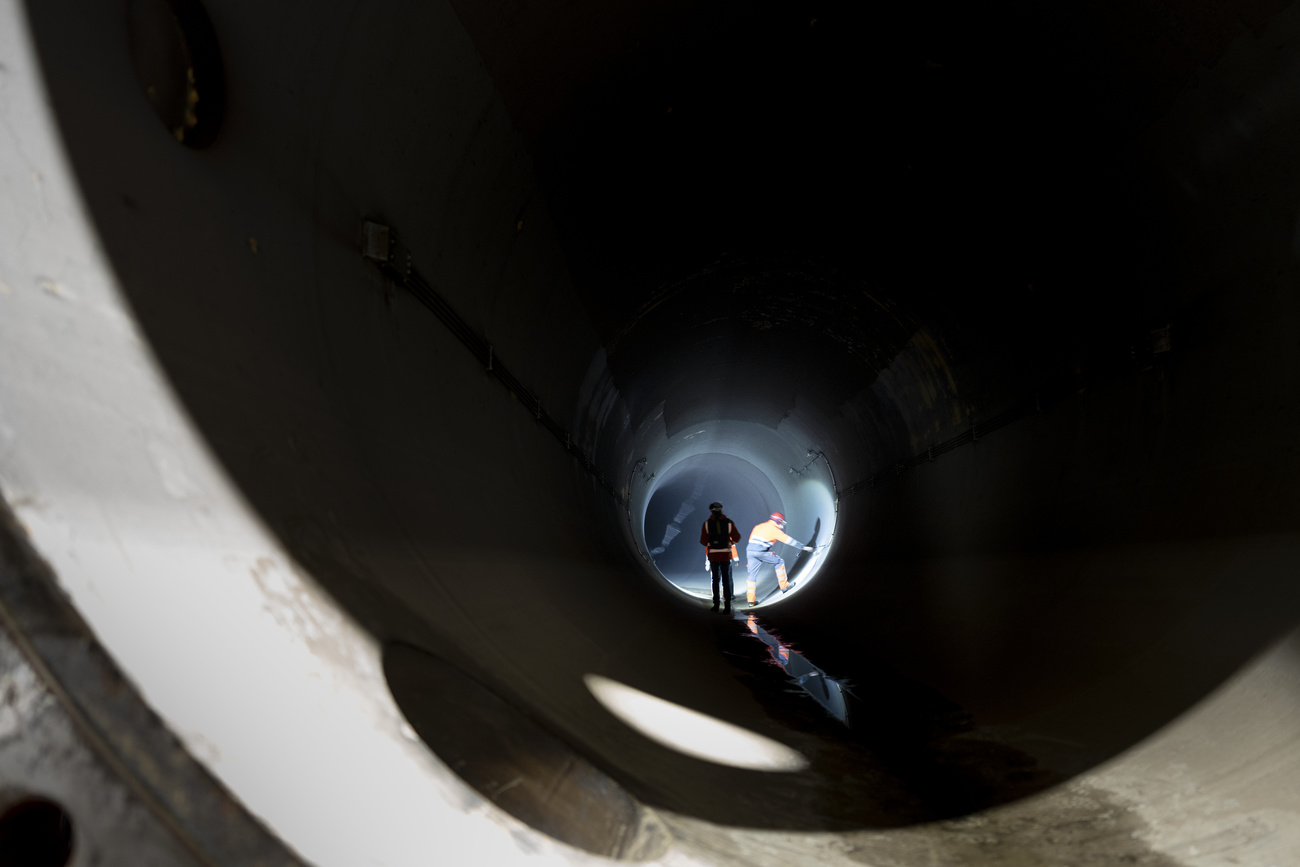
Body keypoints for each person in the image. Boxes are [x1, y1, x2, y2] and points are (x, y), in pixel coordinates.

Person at [745, 512, 813, 605]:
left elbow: (752, 541)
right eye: (782, 523)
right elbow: (789, 541)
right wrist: (804, 547)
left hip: (750, 552)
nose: (782, 526)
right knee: (779, 562)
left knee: (751, 576)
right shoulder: (774, 530)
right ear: (778, 521)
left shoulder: (759, 526)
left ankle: (751, 601)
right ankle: (784, 586)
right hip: (761, 552)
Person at [699, 502, 741, 612]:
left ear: (711, 511)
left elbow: (703, 541)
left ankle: (716, 604)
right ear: (722, 510)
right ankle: (727, 606)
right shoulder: (729, 523)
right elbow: (737, 537)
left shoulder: (707, 524)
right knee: (726, 580)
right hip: (725, 555)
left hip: (713, 556)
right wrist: (730, 542)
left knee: (715, 580)